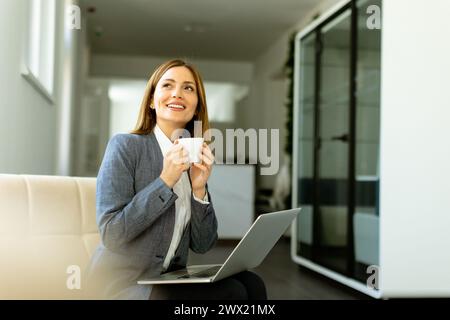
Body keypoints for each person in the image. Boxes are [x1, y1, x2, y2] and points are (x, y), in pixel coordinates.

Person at [85, 59, 267, 300]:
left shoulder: (193, 155)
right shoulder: (125, 146)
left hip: (168, 279)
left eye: (188, 88)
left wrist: (199, 189)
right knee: (232, 293)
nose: (178, 94)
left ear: (197, 104)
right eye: (168, 85)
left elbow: (202, 245)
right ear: (152, 100)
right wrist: (165, 181)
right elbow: (112, 234)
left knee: (252, 283)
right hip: (121, 284)